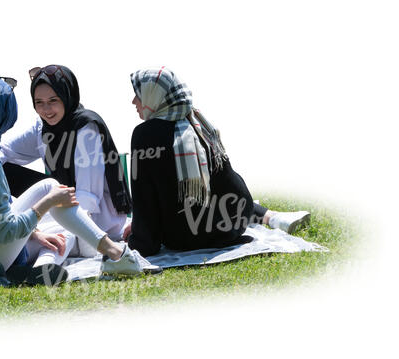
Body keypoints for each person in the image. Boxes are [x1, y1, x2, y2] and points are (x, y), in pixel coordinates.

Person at [0, 78, 157, 285]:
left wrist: (36, 232)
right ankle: (117, 254)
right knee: (53, 194)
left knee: (53, 211)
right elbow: (6, 231)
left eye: (52, 101)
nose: (45, 109)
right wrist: (47, 203)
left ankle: (42, 268)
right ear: (6, 113)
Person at [124, 67, 310, 256]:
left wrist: (139, 239)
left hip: (187, 237)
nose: (133, 101)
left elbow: (144, 198)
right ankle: (273, 217)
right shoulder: (197, 120)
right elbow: (226, 182)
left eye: (138, 95)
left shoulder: (145, 134)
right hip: (235, 220)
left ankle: (272, 217)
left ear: (153, 96)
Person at [0, 65, 132, 260]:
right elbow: (3, 150)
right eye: (39, 102)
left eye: (53, 100)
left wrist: (63, 220)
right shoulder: (42, 127)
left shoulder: (86, 128)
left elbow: (87, 198)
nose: (46, 110)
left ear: (67, 96)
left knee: (54, 232)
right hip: (63, 205)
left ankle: (45, 262)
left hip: (95, 217)